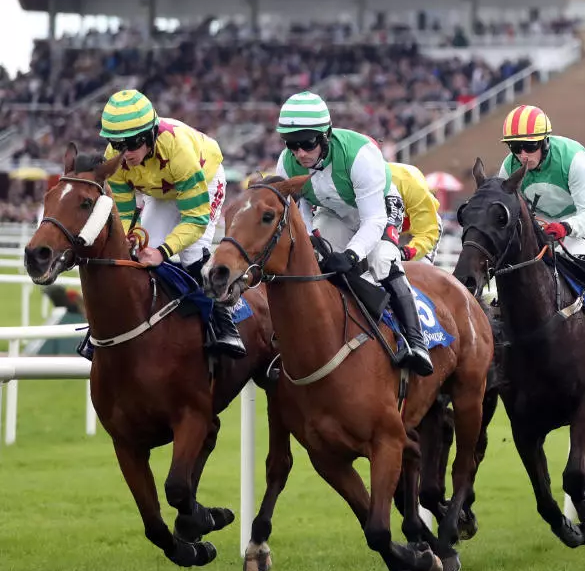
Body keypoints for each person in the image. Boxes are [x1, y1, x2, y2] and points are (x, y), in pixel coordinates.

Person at [275, 91, 433, 376]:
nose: (299, 153)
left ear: (325, 135)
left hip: (378, 209)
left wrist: (351, 254)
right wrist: (313, 240)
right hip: (334, 212)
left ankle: (415, 340)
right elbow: (298, 212)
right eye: (291, 144)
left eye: (307, 144)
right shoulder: (286, 164)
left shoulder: (360, 155)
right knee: (320, 267)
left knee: (382, 259)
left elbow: (373, 220)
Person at [99, 89, 245, 358]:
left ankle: (226, 321)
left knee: (191, 254)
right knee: (141, 252)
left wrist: (164, 252)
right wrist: (130, 236)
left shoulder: (178, 151)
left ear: (148, 136)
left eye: (130, 145)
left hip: (204, 178)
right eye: (116, 145)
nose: (124, 154)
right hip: (161, 190)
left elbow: (195, 219)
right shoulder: (116, 156)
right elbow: (123, 211)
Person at [497, 104, 585, 345]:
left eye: (529, 146)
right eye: (515, 147)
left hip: (580, 212)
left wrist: (567, 227)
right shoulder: (509, 166)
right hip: (540, 217)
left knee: (578, 261)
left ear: (545, 142)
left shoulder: (574, 159)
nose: (522, 155)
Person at [387, 162, 443, 264]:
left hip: (423, 228)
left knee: (418, 269)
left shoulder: (411, 184)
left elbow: (427, 233)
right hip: (395, 228)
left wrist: (408, 252)